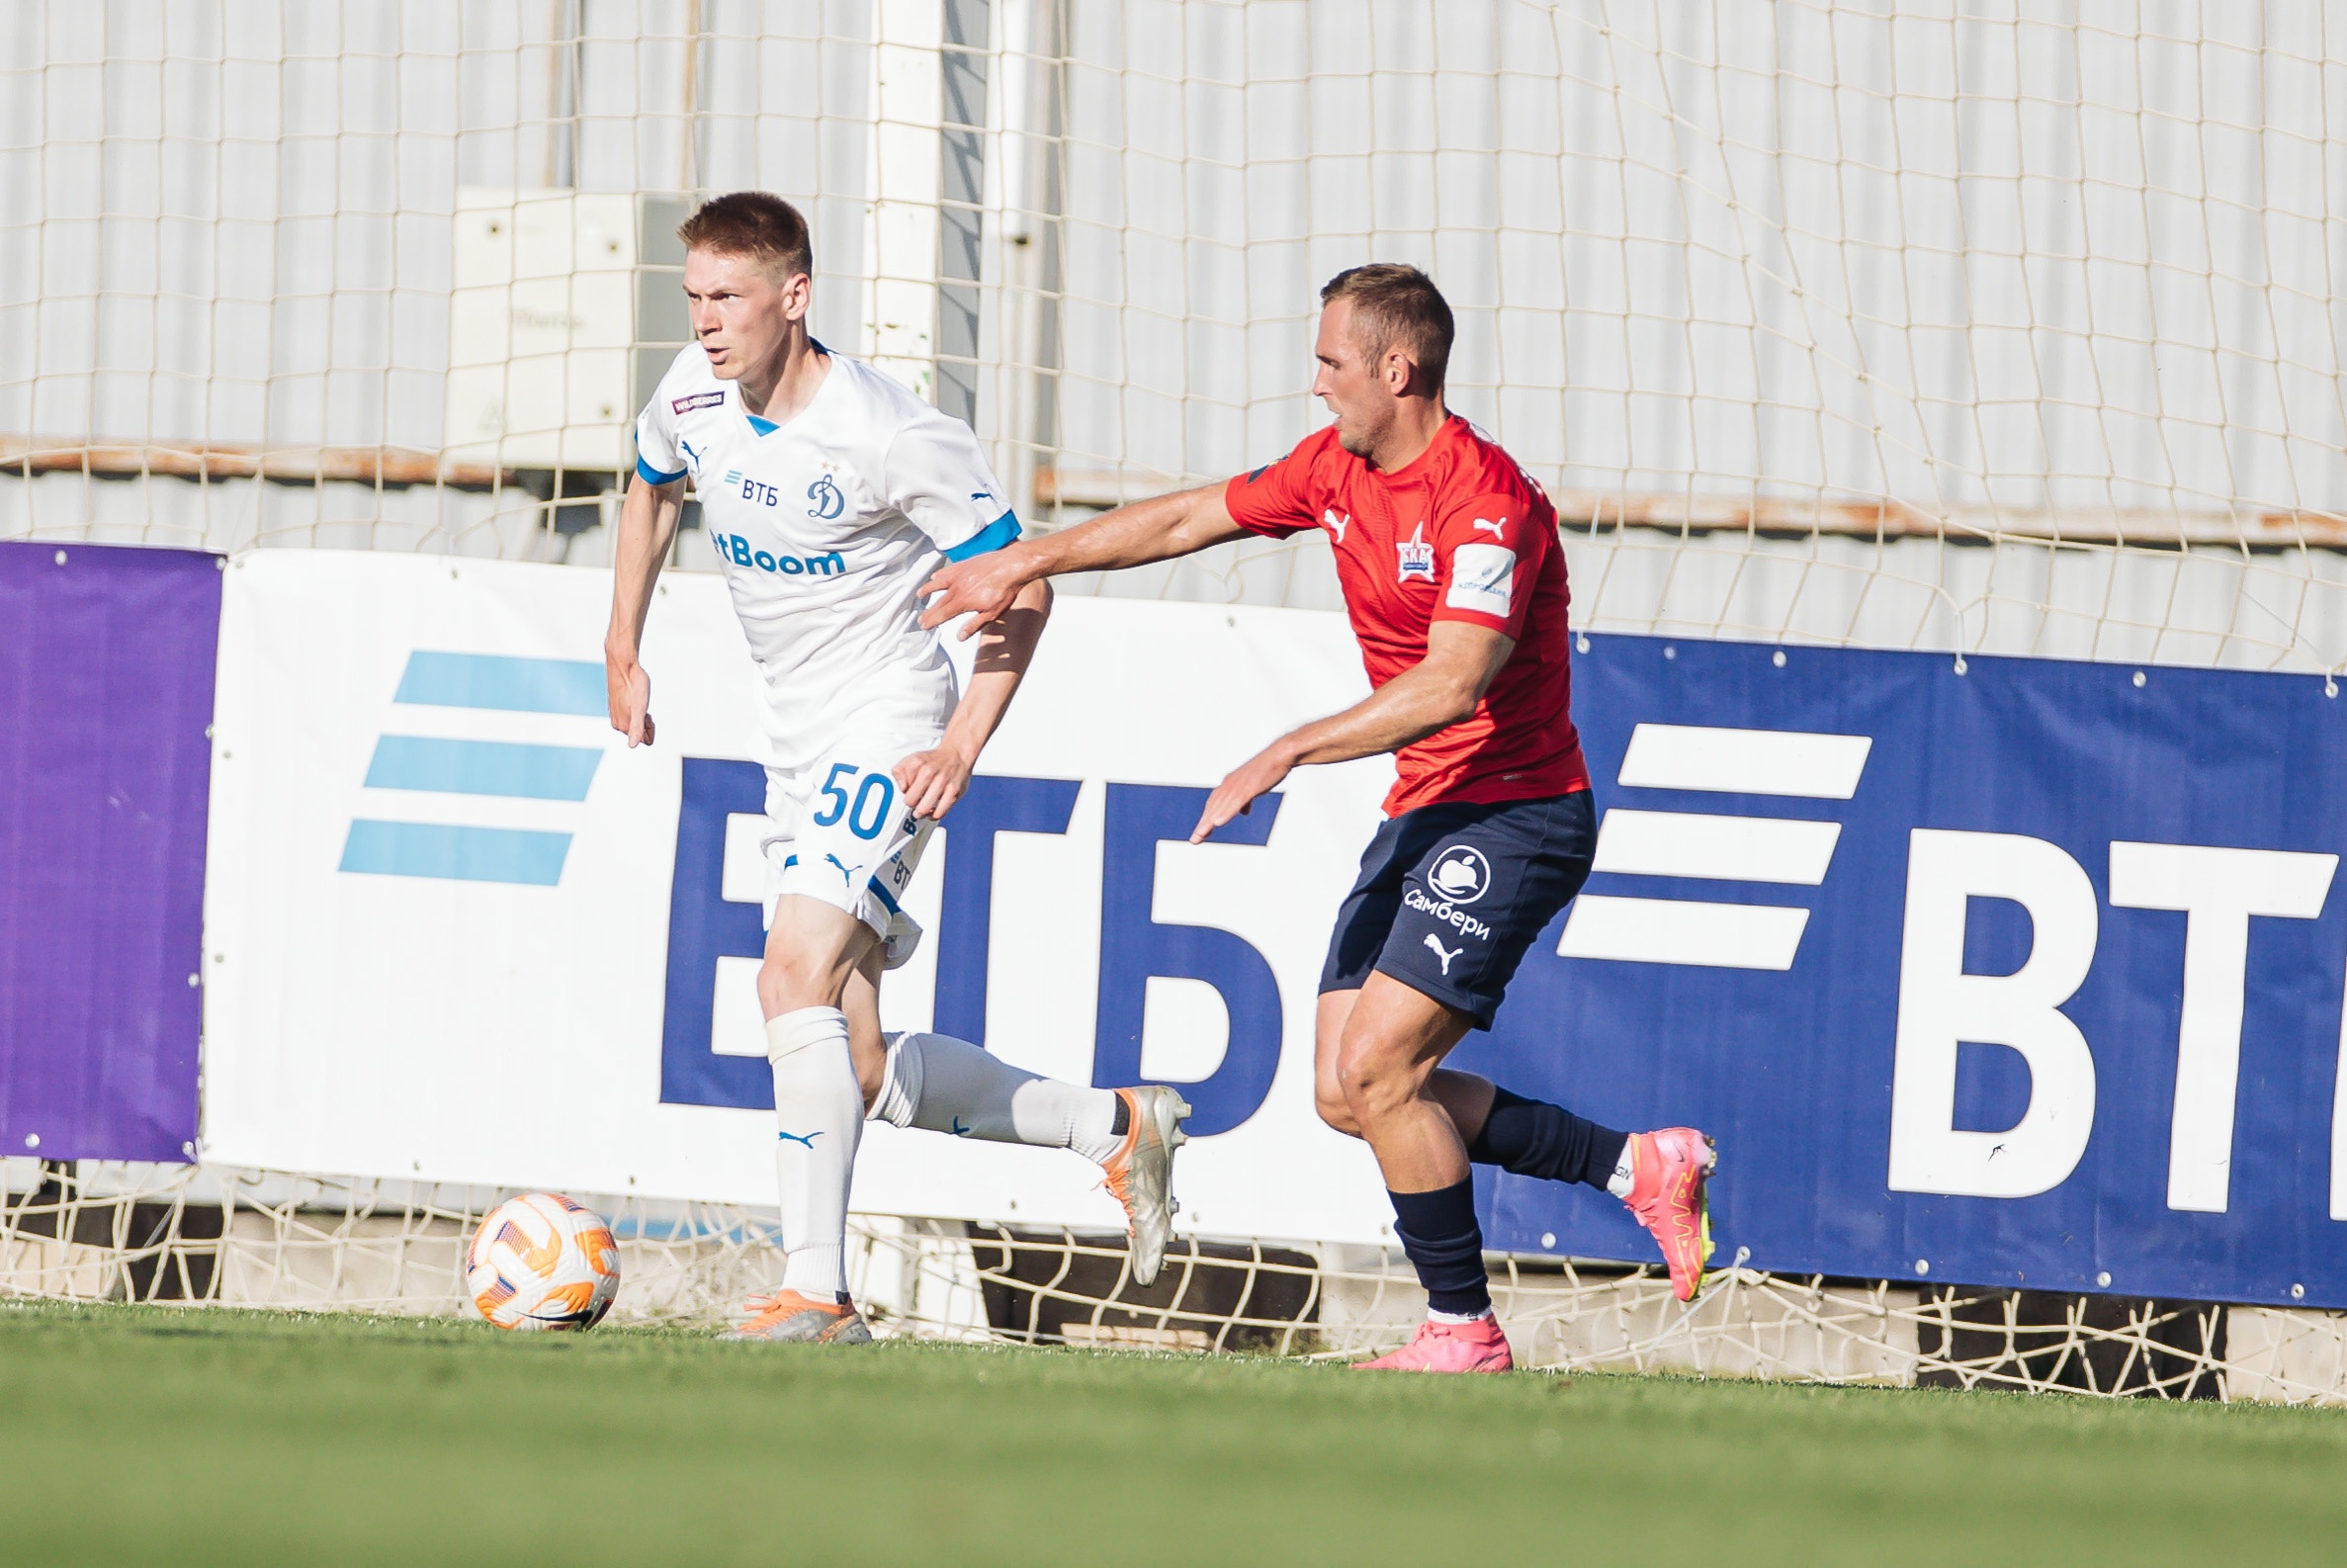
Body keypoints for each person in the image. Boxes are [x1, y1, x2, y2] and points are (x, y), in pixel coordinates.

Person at [921, 263, 1715, 1373]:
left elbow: (1454, 683)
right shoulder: (1334, 468)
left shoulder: (1486, 502)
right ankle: (1637, 1166)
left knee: (1384, 1068)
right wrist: (1024, 558)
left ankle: (1462, 1329)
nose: (1317, 382)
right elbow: (1194, 515)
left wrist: (1287, 745)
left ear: (1398, 368)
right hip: (1427, 807)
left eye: (1332, 361)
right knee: (1349, 1092)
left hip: (1518, 810)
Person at [606, 192, 1190, 1344]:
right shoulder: (689, 391)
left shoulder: (888, 431)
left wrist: (960, 741)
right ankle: (1112, 1126)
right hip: (795, 741)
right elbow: (646, 484)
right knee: (858, 1060)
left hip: (887, 717)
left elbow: (1024, 580)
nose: (708, 321)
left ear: (796, 295)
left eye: (729, 297)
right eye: (695, 298)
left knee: (788, 977)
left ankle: (817, 1295)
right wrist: (621, 647)